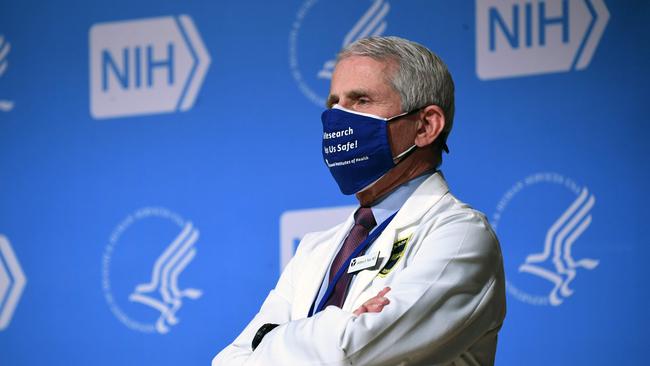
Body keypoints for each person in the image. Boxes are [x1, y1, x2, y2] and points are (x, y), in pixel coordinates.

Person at [213, 36, 506, 366]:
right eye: (333, 103)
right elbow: (229, 361)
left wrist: (269, 338)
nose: (338, 119)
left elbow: (354, 352)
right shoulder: (315, 249)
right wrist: (344, 324)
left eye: (360, 100)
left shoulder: (460, 236)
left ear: (425, 125)